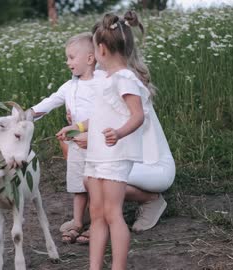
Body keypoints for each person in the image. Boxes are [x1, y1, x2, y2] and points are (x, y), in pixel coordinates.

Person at [82, 11, 151, 270]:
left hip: (116, 155)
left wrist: (119, 133)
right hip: (99, 154)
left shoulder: (125, 78)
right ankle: (94, 267)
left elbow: (138, 115)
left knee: (113, 214)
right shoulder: (105, 78)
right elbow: (101, 115)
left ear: (101, 49)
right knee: (97, 214)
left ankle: (118, 267)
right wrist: (79, 128)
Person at [30, 32, 100, 244]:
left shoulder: (101, 83)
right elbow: (49, 102)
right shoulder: (69, 86)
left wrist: (85, 130)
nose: (67, 61)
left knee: (95, 187)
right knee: (79, 186)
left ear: (90, 58)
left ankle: (97, 224)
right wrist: (26, 115)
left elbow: (105, 115)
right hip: (78, 146)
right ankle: (78, 221)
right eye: (67, 57)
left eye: (71, 57)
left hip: (97, 146)